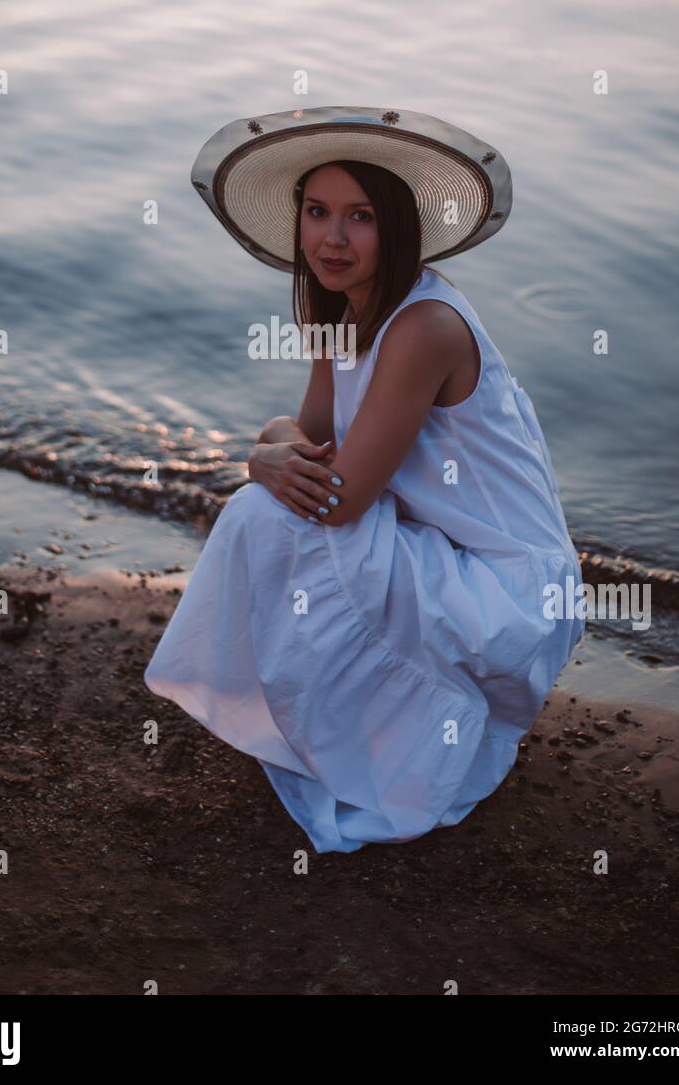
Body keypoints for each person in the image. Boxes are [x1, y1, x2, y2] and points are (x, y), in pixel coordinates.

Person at [144, 106, 585, 854]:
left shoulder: (422, 326)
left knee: (269, 515)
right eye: (317, 213)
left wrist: (269, 457)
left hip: (512, 592)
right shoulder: (343, 309)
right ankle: (335, 721)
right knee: (271, 506)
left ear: (399, 229)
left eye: (361, 217)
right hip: (440, 551)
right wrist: (271, 449)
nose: (332, 239)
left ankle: (377, 739)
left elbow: (338, 501)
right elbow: (310, 441)